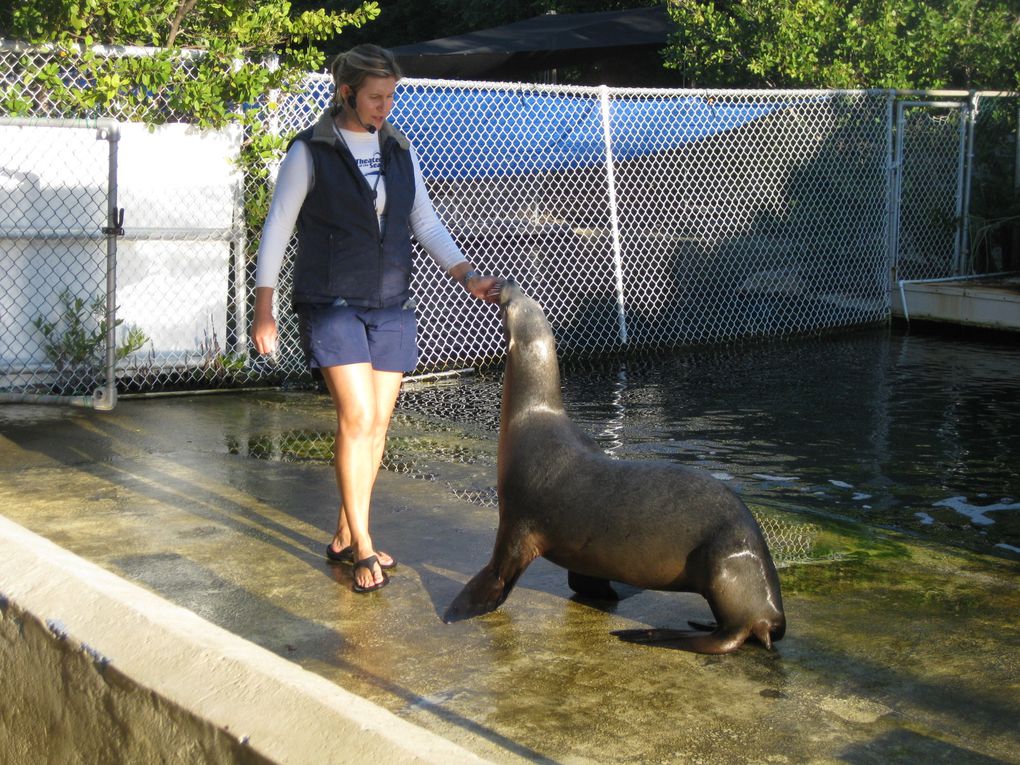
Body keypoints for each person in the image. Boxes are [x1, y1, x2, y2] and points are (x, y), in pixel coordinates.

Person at [251, 44, 502, 594]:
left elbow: (426, 221)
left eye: (392, 95)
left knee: (380, 426)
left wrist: (466, 275)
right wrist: (263, 308)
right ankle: (363, 546)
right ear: (346, 92)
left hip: (390, 304)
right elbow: (277, 228)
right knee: (358, 417)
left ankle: (345, 534)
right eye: (375, 96)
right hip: (332, 301)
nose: (386, 105)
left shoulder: (398, 148)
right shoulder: (310, 151)